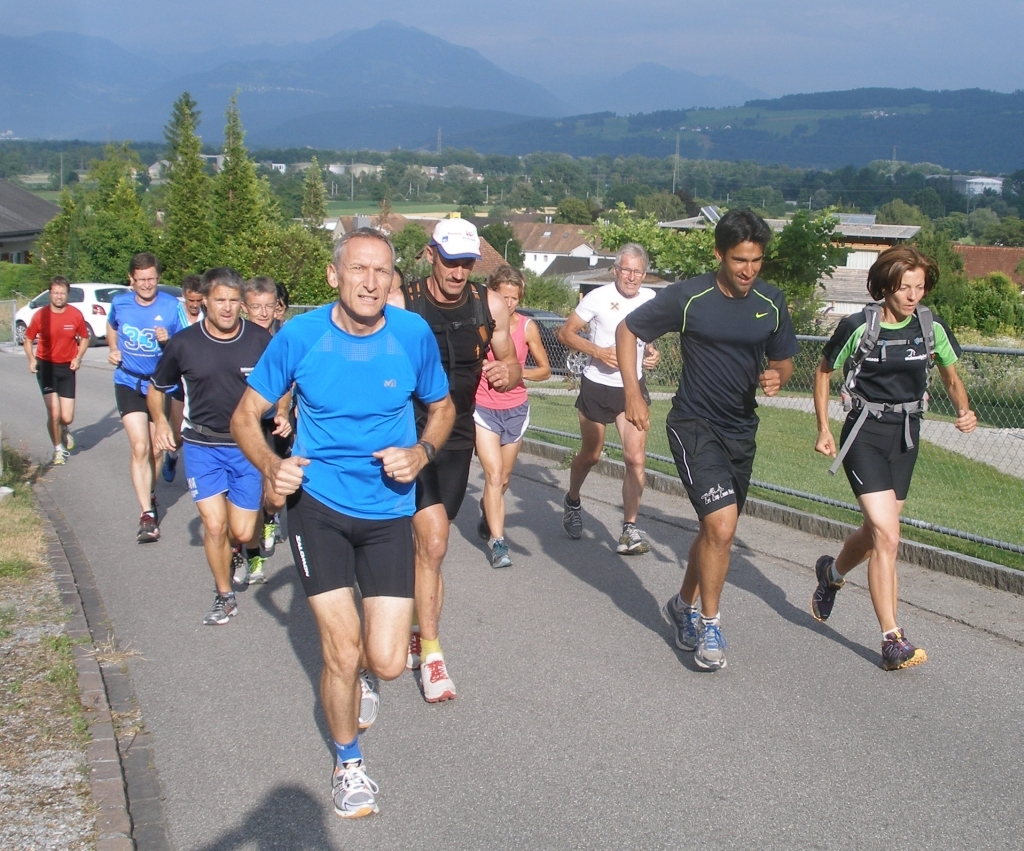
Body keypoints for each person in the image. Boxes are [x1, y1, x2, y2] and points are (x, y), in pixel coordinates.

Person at [232, 228, 454, 818]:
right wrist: (271, 468)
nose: (371, 281)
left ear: (394, 281)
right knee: (341, 648)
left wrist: (423, 453)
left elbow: (443, 406)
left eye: (382, 271)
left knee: (383, 661)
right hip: (319, 508)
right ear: (335, 276)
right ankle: (349, 764)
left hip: (388, 509)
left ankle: (368, 677)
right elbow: (244, 417)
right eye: (359, 269)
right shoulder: (301, 336)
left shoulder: (412, 334)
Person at [618, 209, 799, 671]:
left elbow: (785, 360)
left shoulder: (771, 301)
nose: (748, 270)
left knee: (712, 528)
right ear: (719, 254)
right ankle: (709, 623)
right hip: (694, 424)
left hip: (741, 430)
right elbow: (628, 330)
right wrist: (634, 393)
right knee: (721, 526)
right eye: (740, 260)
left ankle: (680, 604)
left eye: (757, 261)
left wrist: (777, 376)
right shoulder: (690, 296)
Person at [811, 246, 977, 671]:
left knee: (874, 532)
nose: (912, 295)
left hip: (906, 438)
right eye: (905, 287)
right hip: (864, 436)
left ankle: (831, 575)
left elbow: (950, 374)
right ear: (886, 284)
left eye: (919, 287)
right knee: (888, 535)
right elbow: (824, 370)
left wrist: (965, 409)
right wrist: (825, 428)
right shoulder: (857, 325)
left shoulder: (930, 325)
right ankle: (892, 638)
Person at [387, 218, 520, 702]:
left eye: (467, 263)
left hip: (459, 431)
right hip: (409, 432)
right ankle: (434, 655)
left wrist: (509, 370)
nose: (459, 272)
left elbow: (510, 361)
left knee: (430, 547)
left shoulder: (491, 305)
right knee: (435, 541)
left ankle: (414, 628)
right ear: (430, 255)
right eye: (450, 260)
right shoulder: (403, 305)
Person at [148, 267, 273, 625]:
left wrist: (281, 411)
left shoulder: (259, 340)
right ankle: (224, 595)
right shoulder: (184, 344)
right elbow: (158, 387)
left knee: (244, 531)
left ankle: (239, 551)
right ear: (205, 301)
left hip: (246, 445)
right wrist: (159, 421)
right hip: (201, 444)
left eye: (235, 301)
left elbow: (282, 380)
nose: (228, 308)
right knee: (214, 526)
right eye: (221, 300)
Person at [556, 243, 660, 554]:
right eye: (626, 270)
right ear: (615, 270)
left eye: (637, 271)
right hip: (597, 386)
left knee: (635, 458)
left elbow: (647, 337)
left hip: (633, 387)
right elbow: (566, 333)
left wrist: (652, 352)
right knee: (591, 454)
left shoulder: (651, 299)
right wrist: (598, 351)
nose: (631, 276)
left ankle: (629, 529)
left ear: (644, 273)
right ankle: (573, 499)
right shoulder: (597, 297)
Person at [473, 264, 551, 568]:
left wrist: (517, 373)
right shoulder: (481, 324)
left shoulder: (527, 327)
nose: (508, 304)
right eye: (503, 297)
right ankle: (499, 543)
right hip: (483, 407)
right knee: (493, 475)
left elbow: (545, 370)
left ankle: (487, 507)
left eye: (514, 299)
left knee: (503, 479)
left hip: (516, 408)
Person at [106, 253, 184, 543]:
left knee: (155, 449)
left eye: (152, 279)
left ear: (158, 278)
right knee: (139, 446)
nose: (147, 284)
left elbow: (183, 344)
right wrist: (113, 348)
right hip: (127, 380)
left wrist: (167, 341)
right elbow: (112, 327)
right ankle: (147, 514)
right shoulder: (120, 303)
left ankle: (149, 489)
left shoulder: (170, 306)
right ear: (131, 280)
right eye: (141, 280)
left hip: (158, 385)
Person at [242, 275, 294, 581]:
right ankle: (247, 548)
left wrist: (285, 412)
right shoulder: (236, 337)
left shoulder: (283, 339)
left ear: (277, 308)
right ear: (245, 308)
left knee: (275, 495)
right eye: (256, 307)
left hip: (274, 420)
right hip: (248, 422)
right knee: (248, 487)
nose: (262, 313)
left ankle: (270, 517)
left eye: (268, 307)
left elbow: (289, 381)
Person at [22, 276, 90, 465]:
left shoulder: (75, 315)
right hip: (46, 366)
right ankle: (58, 450)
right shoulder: (40, 315)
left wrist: (78, 357)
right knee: (53, 412)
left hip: (67, 367)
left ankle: (64, 428)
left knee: (66, 417)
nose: (59, 296)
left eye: (62, 293)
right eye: (55, 293)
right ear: (50, 294)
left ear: (67, 294)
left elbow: (84, 338)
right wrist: (31, 359)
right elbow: (28, 340)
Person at [163, 274, 205, 484]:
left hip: (200, 382)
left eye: (199, 301)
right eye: (191, 301)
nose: (195, 305)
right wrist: (165, 340)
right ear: (184, 297)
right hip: (178, 382)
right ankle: (171, 456)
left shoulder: (209, 317)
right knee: (179, 434)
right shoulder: (173, 316)